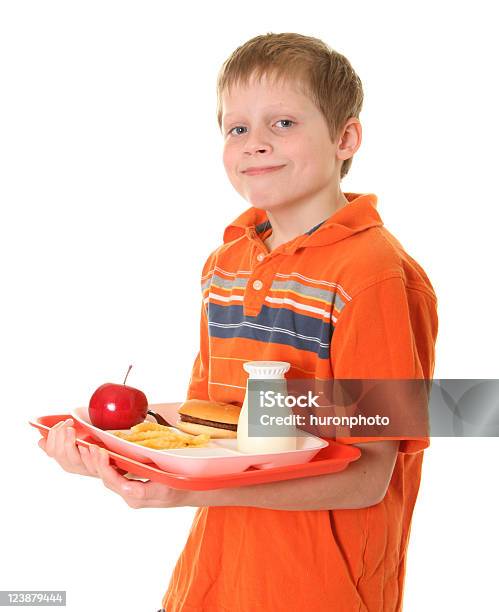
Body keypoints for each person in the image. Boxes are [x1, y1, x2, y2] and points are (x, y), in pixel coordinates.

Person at [39, 32, 438, 612]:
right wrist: (116, 450)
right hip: (213, 580)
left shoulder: (373, 274)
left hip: (319, 591)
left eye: (283, 123)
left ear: (345, 138)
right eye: (237, 128)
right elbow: (213, 428)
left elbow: (367, 478)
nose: (255, 144)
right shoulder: (225, 267)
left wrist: (184, 490)